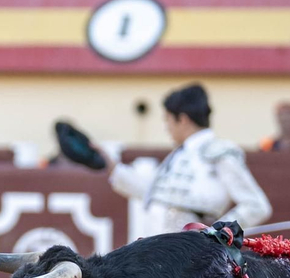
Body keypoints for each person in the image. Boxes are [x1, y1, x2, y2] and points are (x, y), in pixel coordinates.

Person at [107, 83, 272, 235]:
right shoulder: (178, 155)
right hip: (161, 254)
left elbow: (256, 206)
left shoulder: (218, 152)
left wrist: (216, 233)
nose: (167, 127)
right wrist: (113, 167)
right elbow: (152, 192)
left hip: (195, 258)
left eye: (168, 120)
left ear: (183, 119)